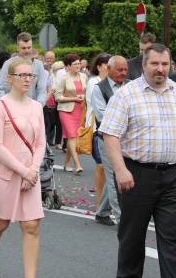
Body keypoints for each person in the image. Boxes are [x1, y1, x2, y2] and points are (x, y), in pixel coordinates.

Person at [99, 43, 176, 278]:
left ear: (171, 65)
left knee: (171, 234)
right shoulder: (127, 95)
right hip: (136, 173)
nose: (160, 69)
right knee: (133, 232)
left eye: (165, 64)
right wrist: (121, 169)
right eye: (154, 64)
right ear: (144, 65)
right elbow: (110, 135)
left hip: (173, 174)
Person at [0, 58, 48, 278]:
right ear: (10, 78)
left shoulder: (37, 107)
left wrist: (33, 170)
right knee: (0, 224)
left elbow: (41, 143)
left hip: (30, 175)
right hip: (6, 174)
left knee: (32, 226)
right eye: (22, 75)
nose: (28, 79)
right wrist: (23, 170)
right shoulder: (0, 106)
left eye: (31, 75)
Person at [92, 55, 128, 226]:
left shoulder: (129, 86)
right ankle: (122, 219)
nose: (123, 73)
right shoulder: (99, 89)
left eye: (125, 70)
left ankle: (102, 212)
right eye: (119, 70)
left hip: (126, 139)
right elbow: (102, 115)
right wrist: (127, 118)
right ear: (109, 69)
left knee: (114, 174)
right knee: (115, 176)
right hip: (106, 139)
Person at [85, 53, 111, 211]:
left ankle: (106, 203)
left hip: (110, 130)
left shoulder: (114, 83)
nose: (109, 68)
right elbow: (96, 105)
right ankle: (99, 200)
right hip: (97, 128)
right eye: (107, 65)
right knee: (101, 165)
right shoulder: (94, 83)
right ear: (99, 66)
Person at [55, 54, 87, 173]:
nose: (78, 66)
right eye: (75, 64)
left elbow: (85, 92)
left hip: (80, 110)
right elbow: (58, 97)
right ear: (68, 66)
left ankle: (67, 164)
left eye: (79, 63)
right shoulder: (63, 78)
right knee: (72, 136)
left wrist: (83, 97)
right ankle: (77, 165)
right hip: (66, 110)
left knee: (72, 137)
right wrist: (73, 98)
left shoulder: (84, 76)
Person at [0, 32, 47, 106]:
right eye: (23, 48)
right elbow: (0, 88)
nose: (27, 51)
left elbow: (42, 91)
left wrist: (38, 107)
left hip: (32, 108)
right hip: (11, 108)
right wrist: (7, 107)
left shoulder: (39, 65)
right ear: (17, 48)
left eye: (29, 48)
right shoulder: (8, 64)